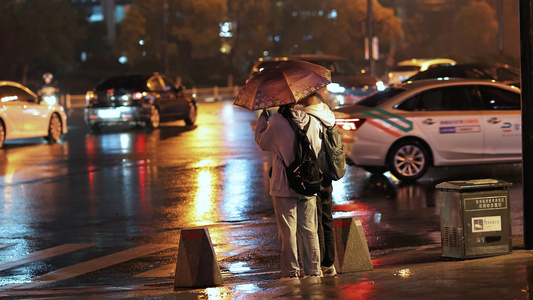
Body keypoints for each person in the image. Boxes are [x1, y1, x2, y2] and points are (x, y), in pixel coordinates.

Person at [255, 102, 322, 280]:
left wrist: (263, 118)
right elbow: (317, 149)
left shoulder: (277, 122)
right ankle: (314, 271)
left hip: (284, 185)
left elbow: (262, 142)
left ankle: (291, 273)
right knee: (309, 230)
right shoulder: (312, 121)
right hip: (308, 183)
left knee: (288, 232)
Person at [297, 93, 338, 277]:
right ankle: (329, 262)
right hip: (328, 171)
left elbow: (312, 147)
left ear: (308, 95)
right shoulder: (325, 111)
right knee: (327, 217)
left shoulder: (310, 117)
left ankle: (322, 264)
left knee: (317, 219)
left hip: (317, 173)